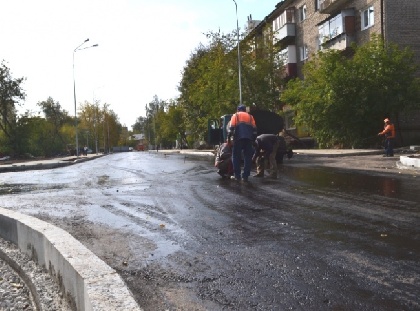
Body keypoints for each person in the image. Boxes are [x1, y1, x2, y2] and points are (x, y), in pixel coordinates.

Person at [228, 105, 257, 182]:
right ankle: (245, 176)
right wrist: (253, 140)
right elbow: (254, 130)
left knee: (236, 156)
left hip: (238, 139)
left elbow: (231, 129)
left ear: (238, 110)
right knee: (247, 157)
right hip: (249, 139)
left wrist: (228, 138)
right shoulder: (250, 117)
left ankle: (237, 175)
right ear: (245, 110)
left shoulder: (235, 115)